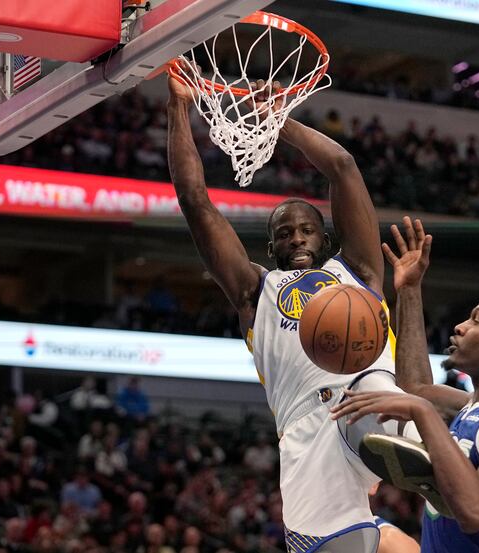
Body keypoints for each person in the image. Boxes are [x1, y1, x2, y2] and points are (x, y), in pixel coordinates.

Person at [167, 76, 429, 552]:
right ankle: (401, 485)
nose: (297, 239)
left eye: (307, 230)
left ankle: (417, 447)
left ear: (324, 240)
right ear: (270, 247)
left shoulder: (359, 271)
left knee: (382, 391)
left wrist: (277, 121)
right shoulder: (254, 289)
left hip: (368, 395)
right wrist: (180, 106)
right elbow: (195, 201)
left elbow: (343, 167)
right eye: (284, 234)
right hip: (308, 432)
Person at [332, 217, 479, 553]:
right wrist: (409, 290)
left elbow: (476, 511)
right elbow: (414, 388)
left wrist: (422, 413)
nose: (459, 326)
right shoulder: (471, 406)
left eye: (476, 320)